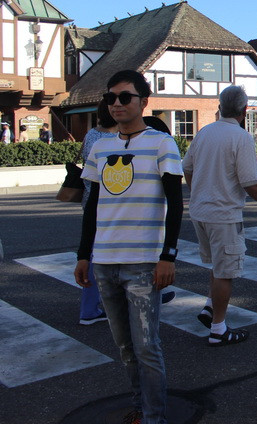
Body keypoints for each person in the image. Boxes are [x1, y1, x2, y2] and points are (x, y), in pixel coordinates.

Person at [74, 70, 183, 424]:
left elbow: (176, 202)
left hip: (143, 263)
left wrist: (168, 256)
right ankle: (140, 407)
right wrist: (83, 255)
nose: (116, 104)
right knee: (124, 348)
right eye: (111, 98)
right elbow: (91, 205)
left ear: (143, 102)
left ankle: (155, 417)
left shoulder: (161, 143)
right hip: (104, 262)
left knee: (147, 347)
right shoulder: (100, 146)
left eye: (125, 97)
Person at [182, 85, 257, 347]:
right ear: (245, 111)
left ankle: (211, 308)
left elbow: (187, 167)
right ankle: (218, 330)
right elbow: (249, 182)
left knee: (217, 265)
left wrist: (198, 191)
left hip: (200, 212)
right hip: (223, 214)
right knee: (226, 272)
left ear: (220, 107)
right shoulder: (241, 137)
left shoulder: (204, 133)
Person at [77, 100, 117, 326]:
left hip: (89, 199)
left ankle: (89, 307)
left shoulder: (91, 135)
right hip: (109, 204)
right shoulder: (114, 140)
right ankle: (91, 307)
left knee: (92, 252)